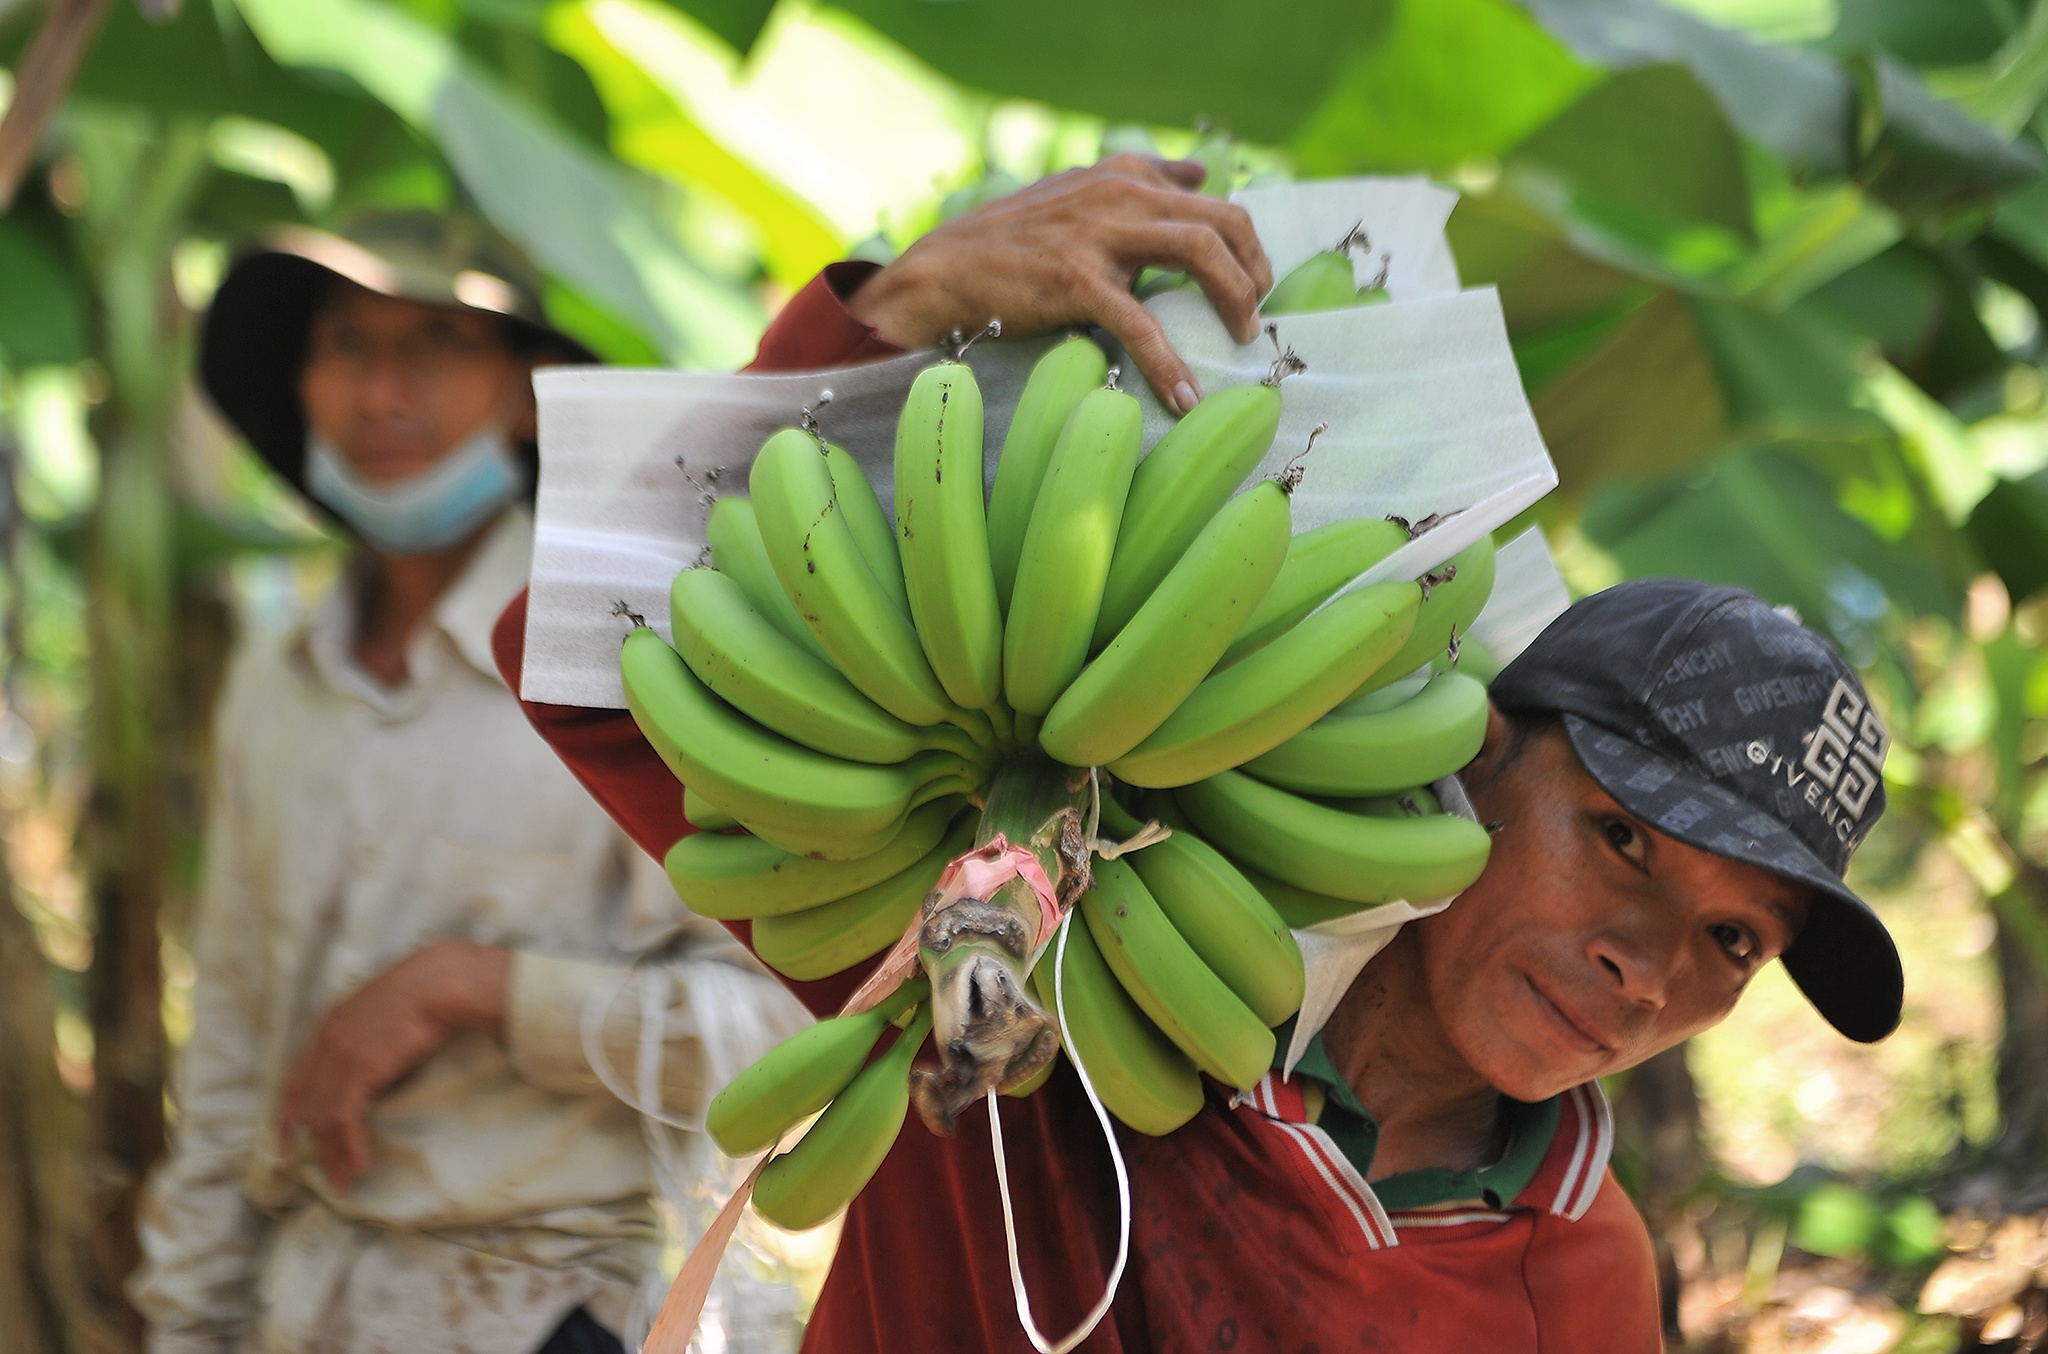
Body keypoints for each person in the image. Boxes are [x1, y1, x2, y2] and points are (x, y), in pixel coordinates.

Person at [494, 157, 1903, 1350]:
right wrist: (905, 304)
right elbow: (576, 662)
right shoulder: (1040, 941)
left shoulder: (1582, 1281)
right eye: (1621, 841)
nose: (1645, 967)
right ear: (1478, 753)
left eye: (1731, 941)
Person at [129, 214, 813, 1354]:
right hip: (307, 1312)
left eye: (437, 341)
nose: (383, 390)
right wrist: (186, 1321)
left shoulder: (629, 655)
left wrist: (480, 989)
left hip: (554, 1309)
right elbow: (234, 1059)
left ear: (526, 387)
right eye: (346, 343)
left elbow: (781, 1031)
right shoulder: (277, 683)